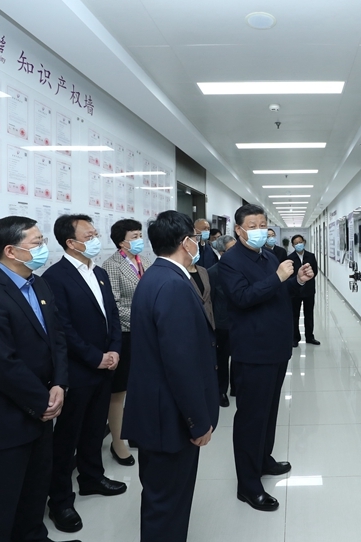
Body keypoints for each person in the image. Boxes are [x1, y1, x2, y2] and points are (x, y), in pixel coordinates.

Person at [0, 216, 76, 542]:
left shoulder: (39, 284)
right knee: (0, 509)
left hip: (40, 415)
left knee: (33, 498)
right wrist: (43, 402)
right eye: (37, 243)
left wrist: (59, 384)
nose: (44, 248)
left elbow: (57, 338)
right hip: (4, 423)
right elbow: (1, 365)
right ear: (10, 251)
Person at [122, 211, 219, 542]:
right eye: (195, 237)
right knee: (167, 505)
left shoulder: (156, 276)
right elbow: (181, 363)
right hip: (170, 419)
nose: (198, 243)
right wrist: (198, 421)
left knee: (161, 500)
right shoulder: (173, 285)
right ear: (185, 241)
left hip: (156, 412)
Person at [219, 204, 314, 511]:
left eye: (263, 224)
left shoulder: (269, 256)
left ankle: (263, 460)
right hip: (253, 351)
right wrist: (277, 277)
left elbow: (280, 293)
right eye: (253, 225)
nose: (260, 230)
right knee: (251, 418)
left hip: (276, 347)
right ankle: (248, 485)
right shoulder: (230, 261)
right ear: (239, 230)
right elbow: (243, 298)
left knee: (270, 410)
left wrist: (298, 281)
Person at [42, 215, 125, 534]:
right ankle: (60, 500)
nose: (95, 239)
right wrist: (95, 357)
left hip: (105, 366)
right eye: (89, 236)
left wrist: (114, 350)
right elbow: (62, 328)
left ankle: (92, 478)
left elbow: (112, 315)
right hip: (78, 370)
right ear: (71, 243)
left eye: (95, 233)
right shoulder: (55, 277)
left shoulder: (99, 272)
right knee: (67, 438)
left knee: (94, 428)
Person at [101, 218, 151, 466]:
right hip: (126, 333)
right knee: (119, 391)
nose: (140, 240)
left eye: (140, 235)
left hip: (145, 333)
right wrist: (142, 319)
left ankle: (134, 432)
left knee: (138, 387)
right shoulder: (112, 265)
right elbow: (114, 304)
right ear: (121, 241)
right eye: (134, 236)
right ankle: (118, 443)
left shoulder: (145, 261)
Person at [208, 234, 237, 406]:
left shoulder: (242, 267)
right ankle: (221, 391)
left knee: (239, 356)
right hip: (222, 324)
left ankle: (236, 386)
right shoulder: (213, 272)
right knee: (222, 358)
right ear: (221, 252)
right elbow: (210, 300)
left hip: (241, 321)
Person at [289, 235, 320, 346]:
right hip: (295, 292)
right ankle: (295, 338)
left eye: (300, 242)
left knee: (309, 314)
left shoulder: (311, 256)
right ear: (293, 245)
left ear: (304, 242)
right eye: (296, 243)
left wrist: (307, 279)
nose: (299, 244)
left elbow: (315, 271)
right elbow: (290, 274)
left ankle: (309, 337)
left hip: (309, 290)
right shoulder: (290, 258)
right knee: (294, 315)